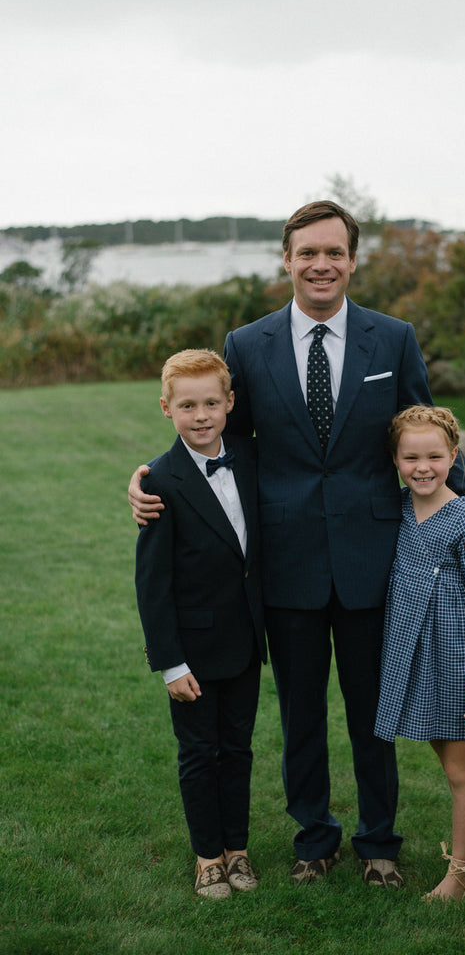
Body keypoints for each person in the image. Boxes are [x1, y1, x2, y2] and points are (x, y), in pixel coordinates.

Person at [129, 200, 465, 889]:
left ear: (352, 260)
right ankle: (314, 839)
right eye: (307, 253)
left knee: (373, 714)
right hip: (285, 563)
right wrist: (150, 476)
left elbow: (427, 427)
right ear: (288, 260)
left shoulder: (392, 339)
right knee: (301, 715)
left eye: (334, 252)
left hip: (372, 561)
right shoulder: (247, 344)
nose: (321, 264)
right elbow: (219, 442)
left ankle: (379, 844)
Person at [134, 349, 267, 899]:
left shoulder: (249, 456)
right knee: (198, 753)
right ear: (166, 409)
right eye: (187, 405)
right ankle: (207, 856)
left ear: (231, 403)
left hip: (245, 641)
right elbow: (152, 584)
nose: (202, 415)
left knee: (238, 748)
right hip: (191, 650)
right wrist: (170, 663)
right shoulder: (160, 481)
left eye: (212, 402)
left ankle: (238, 849)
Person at [375, 405, 465, 900]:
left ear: (454, 457)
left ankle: (459, 873)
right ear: (395, 459)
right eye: (410, 457)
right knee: (454, 764)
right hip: (418, 656)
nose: (423, 467)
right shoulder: (398, 508)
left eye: (435, 456)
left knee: (460, 771)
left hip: (458, 661)